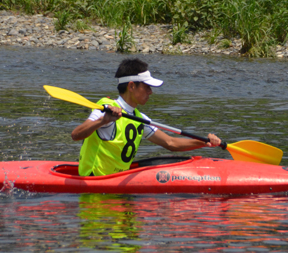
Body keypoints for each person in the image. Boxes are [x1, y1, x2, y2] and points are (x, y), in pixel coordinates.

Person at [71, 58, 221, 176]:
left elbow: (170, 142)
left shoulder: (140, 118)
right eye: (147, 87)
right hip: (93, 180)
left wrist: (204, 142)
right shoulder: (105, 106)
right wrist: (102, 121)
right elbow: (76, 135)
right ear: (131, 86)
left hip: (117, 182)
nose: (150, 92)